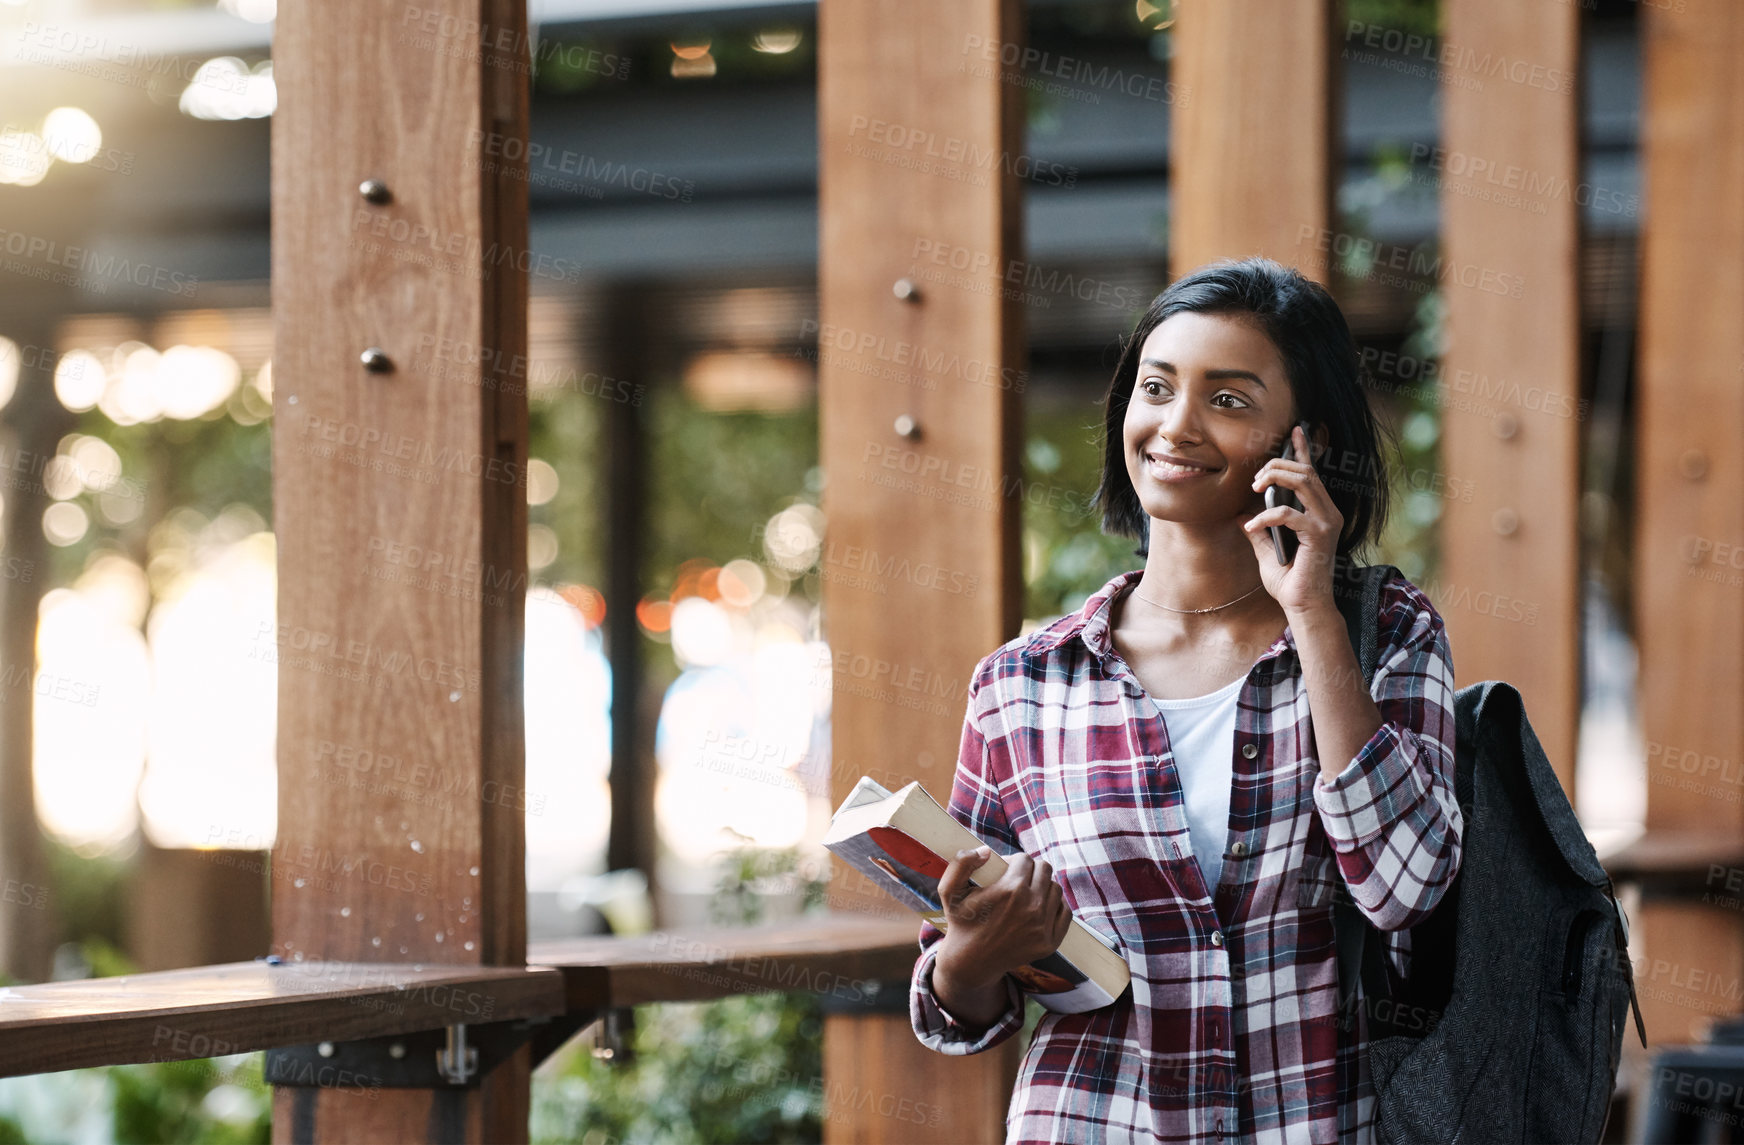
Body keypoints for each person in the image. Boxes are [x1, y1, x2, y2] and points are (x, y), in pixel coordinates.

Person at [907, 257, 1464, 1144]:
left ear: (1304, 443)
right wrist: (969, 960)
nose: (1175, 425)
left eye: (1229, 399)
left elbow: (1408, 886)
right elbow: (966, 1007)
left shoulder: (1384, 634)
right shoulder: (1022, 685)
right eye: (1156, 387)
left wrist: (1312, 613)